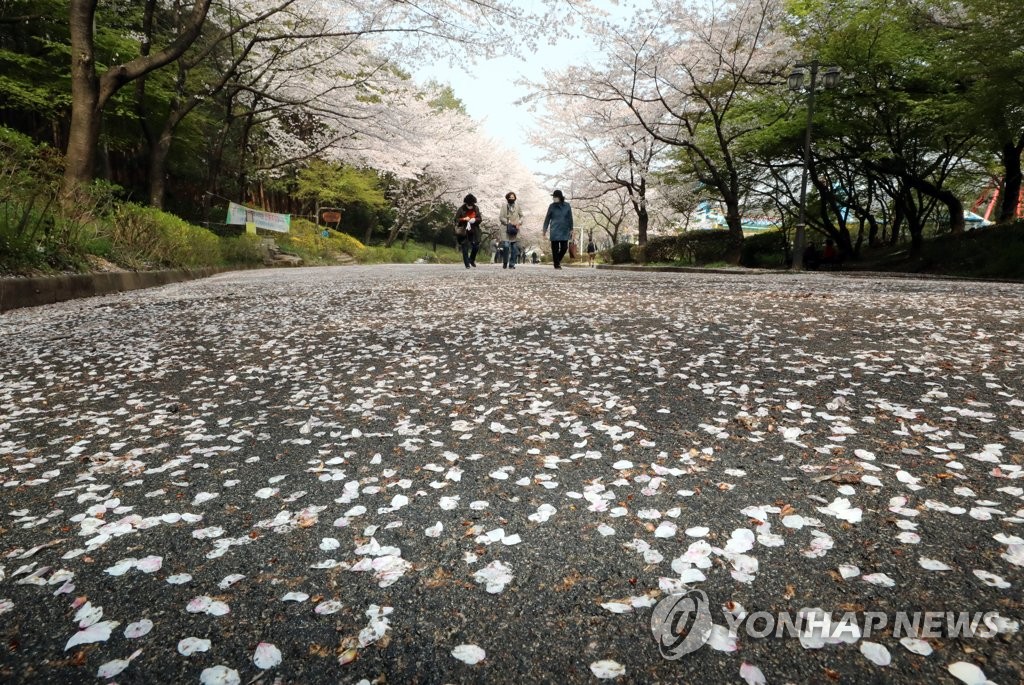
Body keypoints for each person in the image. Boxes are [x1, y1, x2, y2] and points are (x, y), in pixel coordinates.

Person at [542, 189, 573, 269]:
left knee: (564, 248)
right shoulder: (551, 206)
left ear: (560, 197)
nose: (554, 198)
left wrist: (571, 228)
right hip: (554, 230)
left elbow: (570, 218)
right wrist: (544, 230)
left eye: (555, 197)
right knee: (555, 249)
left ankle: (557, 261)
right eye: (553, 197)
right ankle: (557, 265)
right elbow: (547, 219)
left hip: (564, 230)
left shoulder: (567, 206)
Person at [454, 194, 482, 268]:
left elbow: (480, 219)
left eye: (471, 204)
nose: (470, 206)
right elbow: (456, 219)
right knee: (464, 246)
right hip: (464, 230)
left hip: (474, 229)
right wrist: (463, 219)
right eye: (468, 204)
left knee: (476, 246)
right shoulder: (461, 209)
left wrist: (474, 220)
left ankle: (471, 259)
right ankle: (467, 264)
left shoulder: (476, 208)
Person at [499, 191, 524, 269]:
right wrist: (508, 222)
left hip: (514, 229)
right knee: (506, 246)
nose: (511, 199)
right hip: (505, 228)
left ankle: (512, 264)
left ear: (515, 198)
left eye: (513, 197)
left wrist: (519, 222)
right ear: (507, 198)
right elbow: (501, 217)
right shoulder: (504, 206)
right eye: (510, 197)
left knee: (514, 247)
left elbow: (522, 216)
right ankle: (505, 262)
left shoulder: (517, 206)